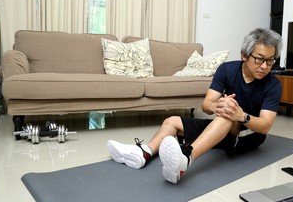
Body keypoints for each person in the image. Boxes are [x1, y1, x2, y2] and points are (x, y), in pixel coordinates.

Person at [107, 28, 283, 184]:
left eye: (270, 61)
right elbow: (206, 105)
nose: (264, 66)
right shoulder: (226, 70)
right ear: (244, 55)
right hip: (221, 127)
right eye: (259, 59)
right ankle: (144, 153)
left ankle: (185, 158)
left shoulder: (273, 85)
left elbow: (265, 126)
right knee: (171, 121)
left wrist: (241, 116)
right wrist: (217, 107)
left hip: (247, 134)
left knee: (227, 114)